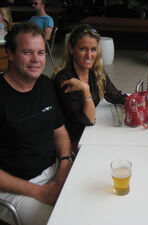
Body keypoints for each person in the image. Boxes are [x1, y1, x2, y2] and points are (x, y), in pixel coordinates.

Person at [0, 22, 72, 225]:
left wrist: (65, 162)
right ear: (11, 54)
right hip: (17, 188)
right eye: (27, 52)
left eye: (40, 52)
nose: (36, 60)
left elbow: (60, 132)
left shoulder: (44, 84)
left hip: (54, 169)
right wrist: (40, 192)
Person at [52, 24, 127, 149]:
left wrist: (141, 103)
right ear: (71, 49)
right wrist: (85, 90)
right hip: (73, 141)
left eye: (93, 49)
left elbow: (116, 97)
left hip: (91, 133)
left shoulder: (96, 72)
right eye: (83, 49)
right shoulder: (64, 79)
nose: (89, 55)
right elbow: (87, 120)